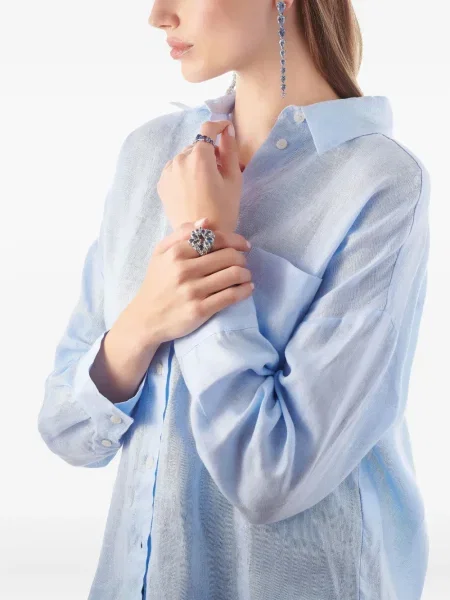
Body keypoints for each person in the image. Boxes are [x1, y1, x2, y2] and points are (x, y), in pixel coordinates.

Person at [37, 1, 431, 599]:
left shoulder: (379, 182)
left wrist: (203, 235)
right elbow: (66, 428)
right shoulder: (150, 154)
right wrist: (143, 323)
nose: (158, 15)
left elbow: (272, 476)